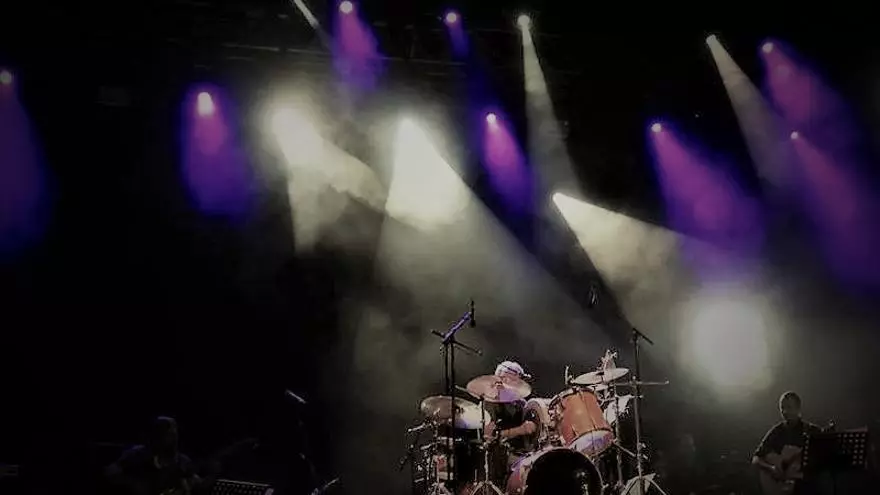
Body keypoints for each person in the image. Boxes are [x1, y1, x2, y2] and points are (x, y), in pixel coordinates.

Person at [105, 417, 202, 495]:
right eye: (166, 433)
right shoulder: (137, 454)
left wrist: (195, 483)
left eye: (173, 434)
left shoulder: (183, 461)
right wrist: (132, 483)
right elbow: (110, 472)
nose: (173, 438)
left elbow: (194, 480)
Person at [752, 391, 823, 495]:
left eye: (789, 407)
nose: (785, 411)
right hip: (782, 485)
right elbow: (756, 459)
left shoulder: (812, 431)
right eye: (782, 407)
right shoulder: (776, 431)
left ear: (798, 409)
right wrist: (771, 469)